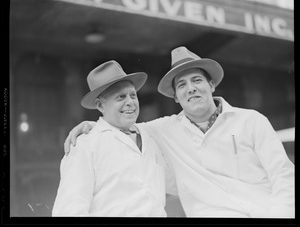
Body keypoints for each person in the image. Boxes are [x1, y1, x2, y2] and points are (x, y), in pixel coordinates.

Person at [64, 47, 295, 218]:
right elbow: (120, 126)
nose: (191, 88)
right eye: (182, 85)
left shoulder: (251, 121)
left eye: (196, 80)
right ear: (176, 97)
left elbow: (285, 176)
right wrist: (95, 126)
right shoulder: (164, 129)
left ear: (211, 85)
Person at [52, 60, 176, 217]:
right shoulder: (84, 145)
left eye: (133, 95)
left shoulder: (150, 136)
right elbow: (69, 210)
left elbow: (175, 184)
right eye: (121, 97)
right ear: (100, 105)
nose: (130, 102)